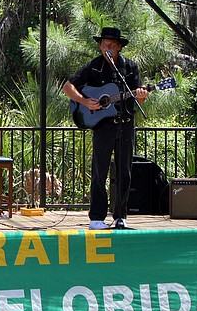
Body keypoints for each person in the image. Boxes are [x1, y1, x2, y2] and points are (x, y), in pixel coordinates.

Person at [62, 27, 148, 230]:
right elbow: (68, 87)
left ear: (119, 47)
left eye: (110, 45)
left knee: (124, 171)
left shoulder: (130, 67)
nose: (106, 48)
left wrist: (142, 96)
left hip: (125, 124)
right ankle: (97, 217)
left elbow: (138, 97)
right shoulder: (93, 67)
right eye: (103, 45)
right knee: (100, 171)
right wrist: (84, 102)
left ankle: (120, 216)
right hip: (103, 126)